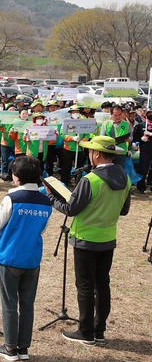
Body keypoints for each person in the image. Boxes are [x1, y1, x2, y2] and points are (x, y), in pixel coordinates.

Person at [44, 135, 131, 346]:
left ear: (97, 154)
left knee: (85, 286)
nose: (89, 155)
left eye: (90, 152)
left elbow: (70, 209)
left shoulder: (90, 180)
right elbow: (125, 210)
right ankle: (99, 329)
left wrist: (51, 197)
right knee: (102, 285)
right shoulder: (126, 179)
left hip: (85, 239)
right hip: (108, 238)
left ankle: (86, 332)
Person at [0, 155, 52, 361]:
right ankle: (23, 348)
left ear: (16, 177)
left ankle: (10, 348)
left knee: (9, 303)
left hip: (10, 256)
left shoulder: (12, 199)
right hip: (32, 257)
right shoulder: (45, 201)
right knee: (27, 304)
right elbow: (41, 228)